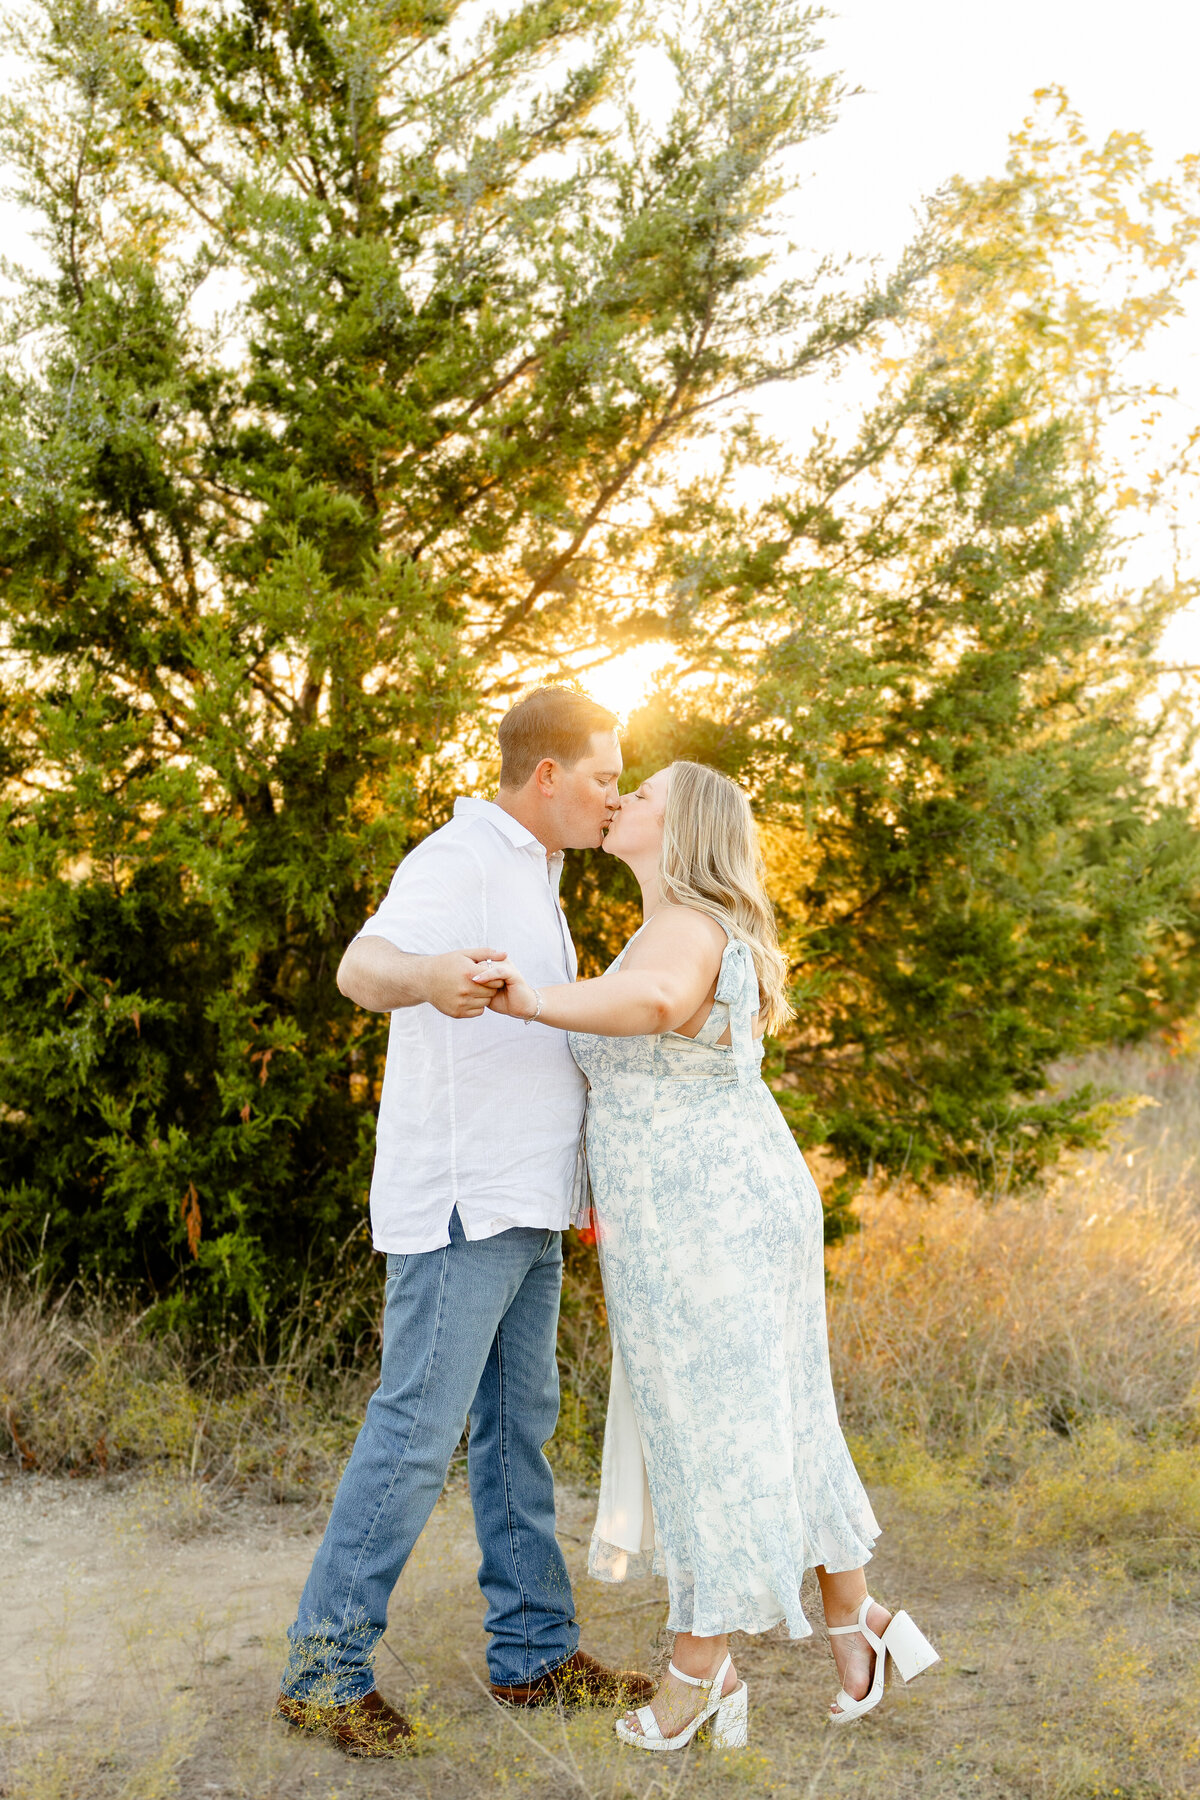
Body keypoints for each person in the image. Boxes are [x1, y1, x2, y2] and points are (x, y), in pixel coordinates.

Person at [477, 760, 939, 1752]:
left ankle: (701, 1669)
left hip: (709, 1219)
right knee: (775, 1416)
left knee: (711, 1433)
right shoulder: (668, 921)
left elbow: (651, 1004)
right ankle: (858, 1622)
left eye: (638, 793)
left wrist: (532, 1001)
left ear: (680, 825)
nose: (620, 802)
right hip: (710, 1207)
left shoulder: (683, 928)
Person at [275, 688, 653, 1758]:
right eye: (602, 775)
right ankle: (322, 1670)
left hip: (529, 1201)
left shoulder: (537, 874)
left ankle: (532, 1653)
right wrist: (430, 977)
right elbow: (362, 968)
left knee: (514, 1431)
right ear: (547, 777)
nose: (612, 794)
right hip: (461, 1201)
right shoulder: (460, 857)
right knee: (414, 1431)